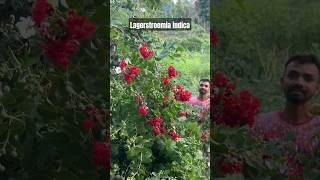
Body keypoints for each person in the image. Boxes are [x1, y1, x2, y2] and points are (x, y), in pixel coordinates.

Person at [251, 54, 320, 153]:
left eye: (308, 79)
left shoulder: (317, 129)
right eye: (293, 76)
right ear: (282, 82)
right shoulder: (261, 124)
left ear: (317, 88)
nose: (299, 82)